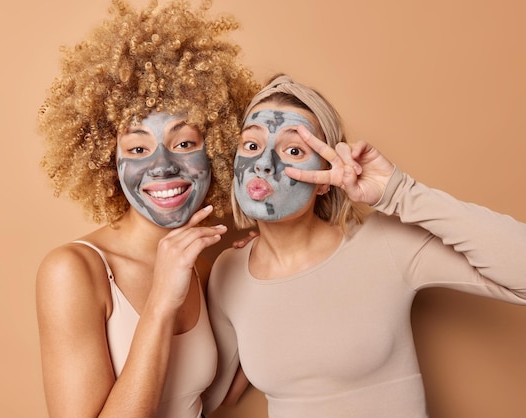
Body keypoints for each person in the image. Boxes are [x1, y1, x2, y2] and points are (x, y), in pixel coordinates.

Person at [202, 74, 526, 418]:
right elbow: (214, 396)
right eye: (251, 146)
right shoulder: (228, 269)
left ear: (325, 180)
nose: (265, 163)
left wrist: (401, 192)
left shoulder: (384, 243)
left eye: (294, 150)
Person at [34, 1, 258, 417]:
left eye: (185, 143)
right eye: (138, 148)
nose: (162, 166)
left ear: (218, 152)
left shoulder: (201, 266)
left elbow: (210, 399)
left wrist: (255, 278)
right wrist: (159, 303)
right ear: (106, 161)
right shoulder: (73, 271)